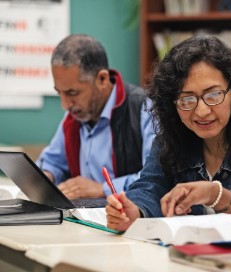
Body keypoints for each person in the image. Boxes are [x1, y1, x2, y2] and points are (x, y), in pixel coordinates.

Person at [106, 36, 231, 232]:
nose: (202, 111)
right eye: (187, 99)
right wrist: (133, 212)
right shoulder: (169, 141)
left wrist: (217, 195)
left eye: (213, 95)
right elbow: (150, 188)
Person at [37, 34, 155, 199]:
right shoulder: (74, 116)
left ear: (102, 79)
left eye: (72, 92)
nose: (65, 105)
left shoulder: (145, 109)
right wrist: (46, 177)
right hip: (83, 216)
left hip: (130, 219)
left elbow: (155, 180)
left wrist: (102, 189)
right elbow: (52, 162)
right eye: (60, 93)